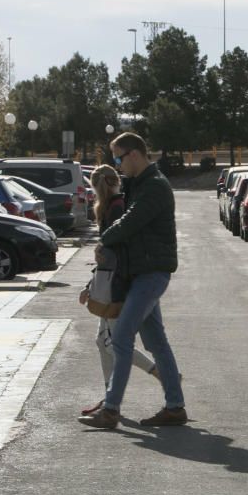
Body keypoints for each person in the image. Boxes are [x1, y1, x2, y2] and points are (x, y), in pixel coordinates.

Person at [78, 133, 186, 429]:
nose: (117, 165)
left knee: (122, 338)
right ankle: (175, 407)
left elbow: (129, 222)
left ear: (134, 154)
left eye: (118, 158)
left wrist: (105, 240)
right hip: (142, 273)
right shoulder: (138, 184)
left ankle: (111, 410)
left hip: (151, 274)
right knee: (156, 342)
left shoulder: (154, 187)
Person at [78, 164, 161, 417]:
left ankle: (159, 374)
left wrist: (92, 286)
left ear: (95, 187)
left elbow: (112, 256)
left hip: (116, 285)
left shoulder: (114, 209)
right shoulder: (116, 206)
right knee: (103, 342)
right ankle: (109, 397)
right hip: (112, 282)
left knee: (114, 343)